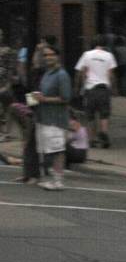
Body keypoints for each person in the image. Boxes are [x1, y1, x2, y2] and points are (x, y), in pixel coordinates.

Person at [32, 45, 71, 190]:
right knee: (48, 149)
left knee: (57, 150)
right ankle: (51, 179)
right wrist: (37, 98)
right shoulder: (47, 73)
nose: (48, 57)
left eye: (52, 54)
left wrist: (44, 99)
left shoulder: (62, 75)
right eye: (46, 55)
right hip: (43, 117)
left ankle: (58, 181)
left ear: (58, 56)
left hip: (56, 119)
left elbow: (66, 98)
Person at [75, 34, 117, 148]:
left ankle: (92, 139)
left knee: (90, 115)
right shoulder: (109, 56)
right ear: (105, 44)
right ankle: (104, 133)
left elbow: (81, 72)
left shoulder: (86, 55)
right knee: (104, 114)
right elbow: (111, 74)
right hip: (104, 88)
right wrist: (113, 88)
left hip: (90, 88)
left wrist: (78, 86)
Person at [7, 102, 40, 184]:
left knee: (32, 154)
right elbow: (21, 125)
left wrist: (26, 140)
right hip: (29, 129)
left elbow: (28, 123)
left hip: (34, 128)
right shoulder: (10, 109)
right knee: (26, 153)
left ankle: (34, 177)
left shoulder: (14, 108)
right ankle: (26, 175)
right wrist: (23, 138)